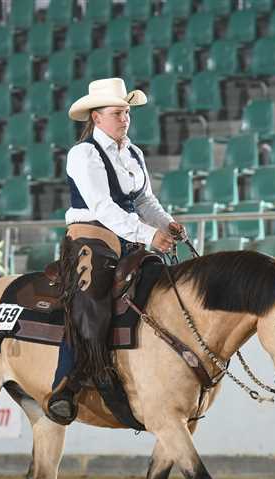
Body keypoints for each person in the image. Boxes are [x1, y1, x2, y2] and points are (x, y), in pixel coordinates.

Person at [45, 78, 185, 425]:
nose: (125, 119)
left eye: (126, 112)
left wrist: (166, 224)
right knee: (90, 297)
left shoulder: (133, 152)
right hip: (91, 235)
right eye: (117, 113)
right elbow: (103, 207)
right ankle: (67, 383)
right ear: (96, 117)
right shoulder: (84, 154)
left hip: (129, 236)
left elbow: (144, 200)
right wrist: (148, 234)